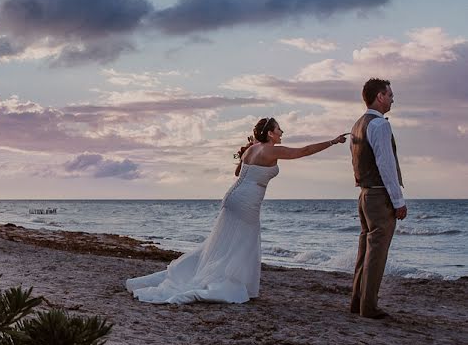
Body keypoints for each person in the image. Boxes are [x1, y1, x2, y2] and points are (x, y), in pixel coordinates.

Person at [126, 118, 347, 304]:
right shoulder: (270, 150)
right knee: (241, 243)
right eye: (279, 129)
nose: (282, 132)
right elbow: (304, 151)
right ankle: (227, 282)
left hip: (233, 197)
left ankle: (222, 278)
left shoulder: (251, 149)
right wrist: (333, 141)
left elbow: (237, 173)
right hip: (246, 202)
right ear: (270, 133)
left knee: (224, 243)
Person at [350, 78, 406, 319]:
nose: (393, 98)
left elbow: (356, 159)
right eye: (390, 94)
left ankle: (357, 303)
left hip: (364, 194)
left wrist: (362, 184)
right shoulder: (380, 125)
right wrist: (398, 201)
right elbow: (386, 164)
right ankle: (369, 308)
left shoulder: (357, 125)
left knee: (365, 251)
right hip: (379, 194)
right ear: (379, 97)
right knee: (377, 253)